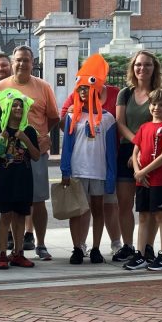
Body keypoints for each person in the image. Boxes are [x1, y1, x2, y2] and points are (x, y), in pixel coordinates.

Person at [0, 45, 59, 260]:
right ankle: (14, 245)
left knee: (37, 200)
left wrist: (43, 136)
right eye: (18, 60)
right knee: (10, 201)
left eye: (26, 60)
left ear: (33, 63)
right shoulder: (0, 87)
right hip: (7, 155)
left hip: (34, 150)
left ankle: (40, 244)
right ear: (13, 62)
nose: (22, 64)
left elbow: (54, 117)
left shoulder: (44, 87)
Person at [60, 55, 119, 265]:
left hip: (99, 171)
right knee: (77, 212)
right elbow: (67, 146)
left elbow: (111, 150)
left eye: (87, 88)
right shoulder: (72, 117)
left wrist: (111, 174)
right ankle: (77, 247)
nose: (83, 93)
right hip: (77, 170)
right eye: (80, 89)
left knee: (98, 210)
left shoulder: (108, 118)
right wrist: (65, 170)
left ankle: (95, 247)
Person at [0, 89, 40, 269]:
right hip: (5, 179)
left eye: (20, 106)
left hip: (23, 179)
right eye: (13, 105)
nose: (17, 109)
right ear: (7, 107)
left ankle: (18, 252)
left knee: (20, 216)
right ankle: (2, 255)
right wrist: (0, 143)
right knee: (5, 216)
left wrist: (25, 139)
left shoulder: (29, 130)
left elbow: (36, 156)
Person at [115, 50, 162, 263]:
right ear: (133, 68)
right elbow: (120, 123)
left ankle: (148, 246)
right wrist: (137, 145)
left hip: (152, 154)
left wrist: (143, 149)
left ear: (154, 68)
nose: (142, 69)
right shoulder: (125, 93)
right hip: (128, 150)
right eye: (138, 65)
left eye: (147, 65)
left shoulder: (159, 94)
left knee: (149, 205)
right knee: (124, 203)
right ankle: (128, 245)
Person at [123, 89, 162, 272]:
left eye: (161, 105)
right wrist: (138, 172)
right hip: (142, 180)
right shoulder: (144, 127)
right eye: (153, 104)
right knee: (144, 216)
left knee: (161, 216)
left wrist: (143, 171)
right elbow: (136, 151)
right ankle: (140, 254)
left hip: (159, 180)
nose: (156, 108)